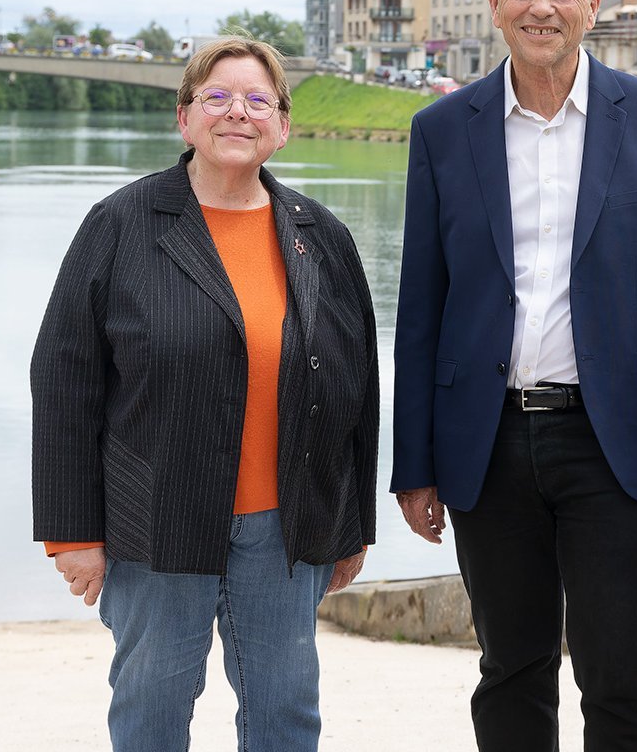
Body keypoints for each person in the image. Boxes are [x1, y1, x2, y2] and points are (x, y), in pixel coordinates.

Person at [390, 0, 637, 752]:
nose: (542, 7)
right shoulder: (442, 131)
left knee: (622, 673)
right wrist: (414, 462)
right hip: (485, 443)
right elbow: (422, 304)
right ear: (493, 4)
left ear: (594, 5)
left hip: (617, 443)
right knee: (511, 668)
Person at [31, 36, 379, 751]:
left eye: (257, 100)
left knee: (286, 715)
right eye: (216, 97)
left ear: (282, 126)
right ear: (183, 117)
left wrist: (350, 525)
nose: (236, 114)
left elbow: (356, 390)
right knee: (152, 714)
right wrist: (73, 533)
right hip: (154, 521)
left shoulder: (323, 237)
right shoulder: (121, 225)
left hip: (286, 529)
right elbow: (64, 381)